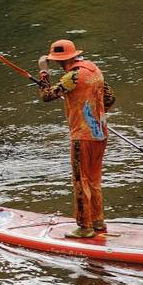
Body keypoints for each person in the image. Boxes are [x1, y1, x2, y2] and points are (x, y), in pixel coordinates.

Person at [36, 38, 109, 239]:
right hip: (101, 133)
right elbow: (109, 99)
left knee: (80, 181)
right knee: (94, 180)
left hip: (82, 136)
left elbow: (47, 95)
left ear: (61, 61)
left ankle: (84, 227)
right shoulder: (94, 70)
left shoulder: (73, 76)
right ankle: (98, 222)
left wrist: (43, 72)